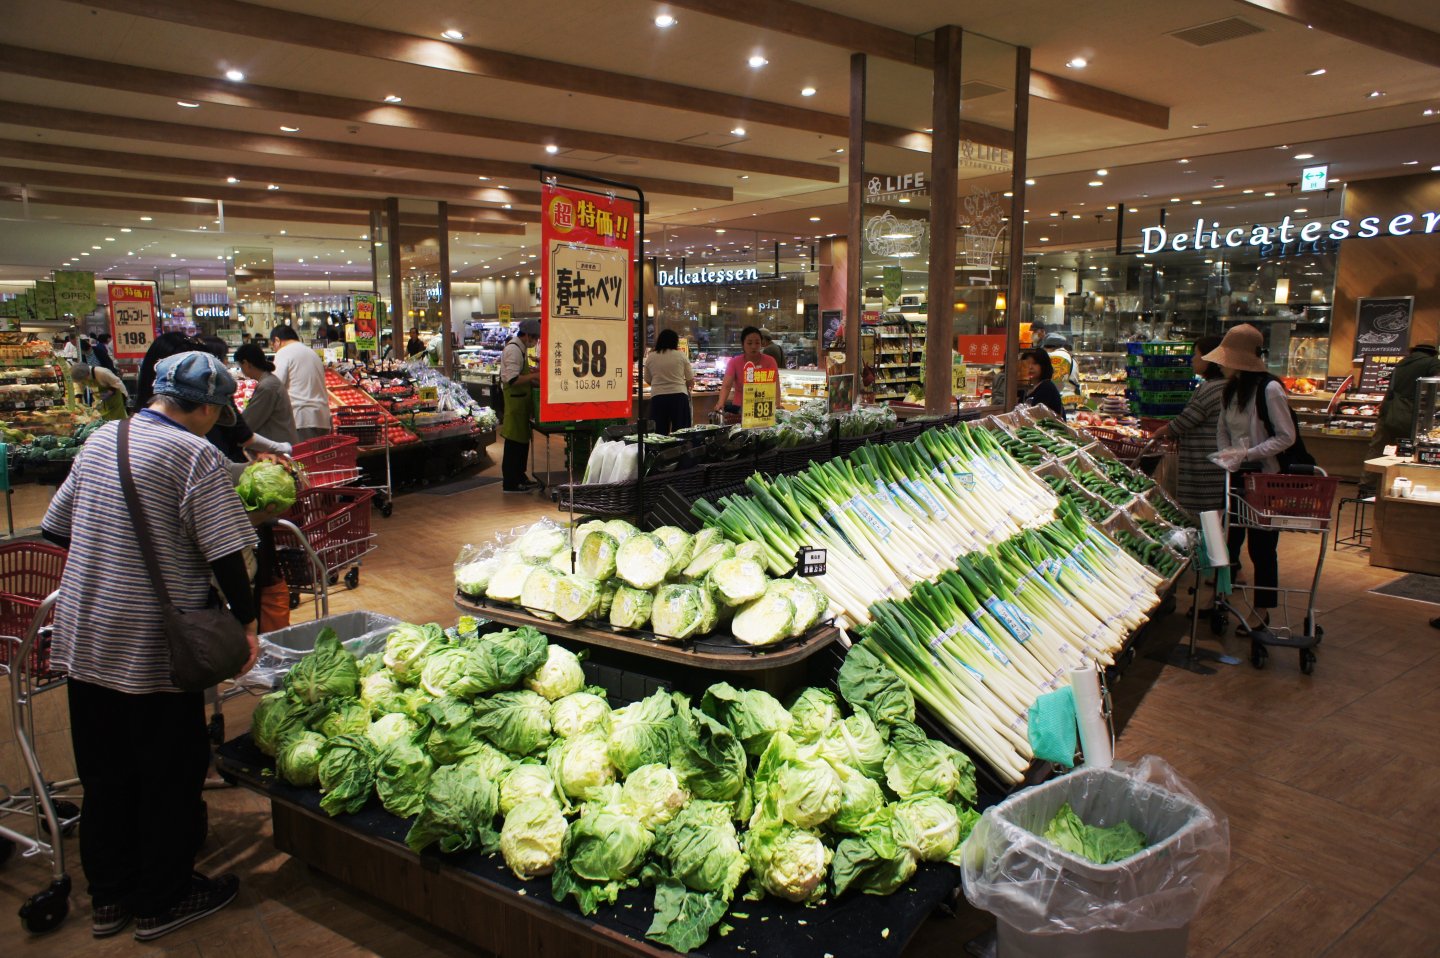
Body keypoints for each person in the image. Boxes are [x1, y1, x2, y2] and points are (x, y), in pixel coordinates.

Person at [41, 351, 258, 942]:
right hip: (153, 643)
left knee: (105, 769)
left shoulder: (103, 438)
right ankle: (163, 896)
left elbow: (55, 527)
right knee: (168, 767)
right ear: (210, 407)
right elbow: (225, 556)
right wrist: (246, 624)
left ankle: (109, 895)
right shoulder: (196, 454)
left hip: (86, 633)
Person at [1205, 323, 1293, 633]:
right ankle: (1220, 600)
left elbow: (1286, 437)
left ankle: (1262, 610)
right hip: (1235, 477)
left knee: (1262, 548)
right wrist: (1227, 456)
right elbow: (1222, 429)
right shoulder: (1231, 389)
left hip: (1265, 479)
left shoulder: (1270, 389)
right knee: (1227, 543)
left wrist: (1249, 454)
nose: (1221, 364)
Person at [1149, 334, 1227, 516]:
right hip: (1213, 463)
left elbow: (1185, 421)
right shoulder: (1220, 386)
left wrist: (1160, 432)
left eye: (1195, 355)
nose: (1191, 359)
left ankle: (1201, 542)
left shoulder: (1211, 389)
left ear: (1210, 358)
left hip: (1204, 465)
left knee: (1203, 516)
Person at [1372, 343, 1440, 456]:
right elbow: (1436, 385)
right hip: (1410, 414)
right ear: (1432, 354)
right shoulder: (1433, 363)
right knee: (1408, 450)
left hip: (1389, 412)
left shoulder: (1401, 363)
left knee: (1380, 448)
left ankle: (1374, 472)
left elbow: (1390, 389)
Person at [499, 318, 541, 492]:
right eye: (535, 338)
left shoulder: (521, 349)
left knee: (522, 442)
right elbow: (513, 379)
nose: (536, 341)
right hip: (515, 402)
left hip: (521, 402)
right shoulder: (514, 350)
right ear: (527, 335)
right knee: (514, 443)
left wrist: (533, 377)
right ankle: (511, 482)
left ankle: (520, 476)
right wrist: (535, 375)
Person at [270, 325, 332, 440]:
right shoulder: (312, 353)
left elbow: (274, 386)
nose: (274, 349)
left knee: (302, 457)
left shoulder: (283, 352)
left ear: (277, 340)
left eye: (273, 345)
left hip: (301, 419)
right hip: (322, 419)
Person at [233, 343, 299, 446]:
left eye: (240, 366)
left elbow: (249, 421)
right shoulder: (269, 381)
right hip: (281, 444)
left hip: (279, 448)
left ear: (246, 363)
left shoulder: (267, 386)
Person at [714, 326, 779, 423]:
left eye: (757, 343)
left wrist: (777, 405)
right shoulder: (734, 362)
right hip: (739, 409)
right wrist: (720, 403)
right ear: (743, 344)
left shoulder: (770, 361)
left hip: (764, 409)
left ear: (762, 343)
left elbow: (775, 385)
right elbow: (726, 386)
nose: (753, 346)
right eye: (749, 343)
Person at [645, 329, 695, 434]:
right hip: (679, 397)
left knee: (659, 432)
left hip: (658, 397)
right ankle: (679, 450)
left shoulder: (651, 357)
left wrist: (659, 383)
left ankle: (662, 451)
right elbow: (690, 380)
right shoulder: (681, 355)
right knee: (681, 432)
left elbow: (647, 379)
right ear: (675, 341)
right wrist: (685, 384)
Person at [1018, 347, 1066, 419]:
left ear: (1043, 366)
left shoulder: (1047, 387)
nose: (1030, 367)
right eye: (1027, 363)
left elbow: (1036, 417)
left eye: (1035, 363)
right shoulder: (1025, 387)